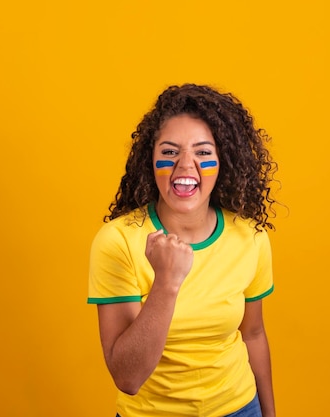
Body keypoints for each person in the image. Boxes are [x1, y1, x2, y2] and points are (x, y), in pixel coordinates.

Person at [88, 83, 279, 417]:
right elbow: (127, 377)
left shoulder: (250, 237)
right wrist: (166, 282)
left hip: (240, 409)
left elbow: (253, 333)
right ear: (151, 159)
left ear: (224, 162)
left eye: (203, 152)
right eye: (170, 151)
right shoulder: (118, 241)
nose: (185, 165)